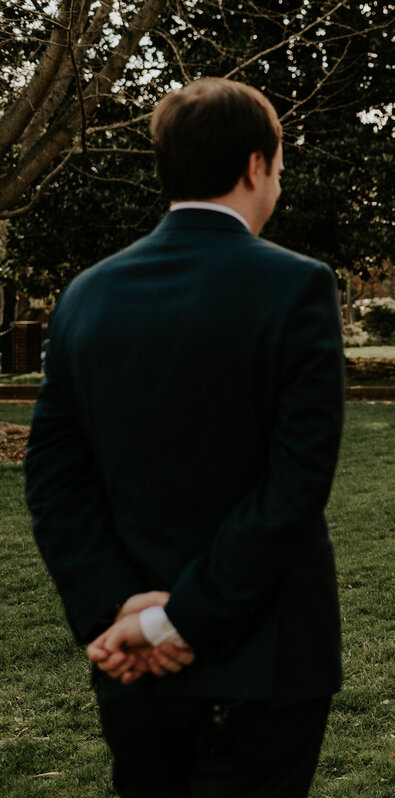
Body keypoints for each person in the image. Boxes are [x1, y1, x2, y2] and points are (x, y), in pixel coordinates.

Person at [24, 78, 345, 796]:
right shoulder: (297, 287)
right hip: (268, 655)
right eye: (281, 166)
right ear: (257, 166)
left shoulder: (86, 294)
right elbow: (294, 485)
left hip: (131, 656)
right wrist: (177, 620)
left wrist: (119, 609)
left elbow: (53, 478)